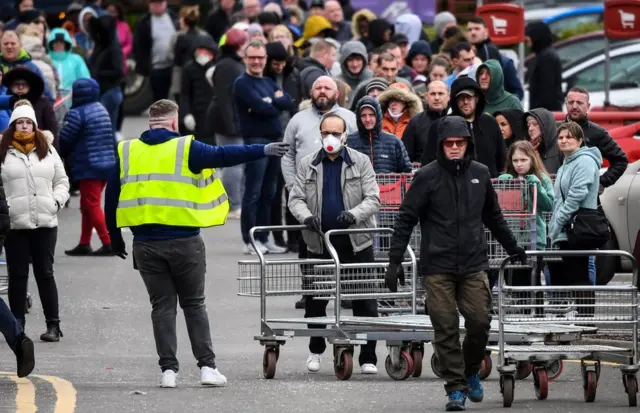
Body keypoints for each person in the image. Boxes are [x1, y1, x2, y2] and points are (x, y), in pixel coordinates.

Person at [104, 99, 289, 388]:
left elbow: (111, 197)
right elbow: (225, 155)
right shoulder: (185, 148)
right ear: (174, 122)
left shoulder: (128, 150)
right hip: (184, 242)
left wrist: (115, 239)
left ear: (150, 122)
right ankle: (207, 368)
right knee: (193, 304)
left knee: (161, 307)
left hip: (144, 244)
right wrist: (263, 149)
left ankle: (168, 372)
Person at [385, 115, 525, 411]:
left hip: (474, 263)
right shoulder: (427, 176)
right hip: (437, 266)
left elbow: (494, 217)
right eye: (448, 143)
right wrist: (394, 261)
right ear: (440, 145)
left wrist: (514, 248)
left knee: (479, 321)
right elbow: (406, 218)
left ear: (467, 144)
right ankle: (455, 389)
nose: (454, 147)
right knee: (445, 326)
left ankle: (471, 369)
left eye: (459, 142)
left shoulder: (481, 173)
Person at [288, 112, 381, 375]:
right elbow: (295, 198)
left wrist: (354, 215)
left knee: (365, 300)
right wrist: (306, 217)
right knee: (316, 302)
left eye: (336, 133)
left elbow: (373, 198)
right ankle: (316, 350)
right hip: (318, 243)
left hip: (356, 242)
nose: (331, 138)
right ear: (320, 135)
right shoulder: (307, 163)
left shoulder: (360, 162)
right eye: (326, 132)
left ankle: (367, 356)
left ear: (345, 136)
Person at [282, 76, 357, 309]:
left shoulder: (350, 119)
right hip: (306, 192)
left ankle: (345, 290)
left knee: (343, 240)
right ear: (311, 92)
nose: (322, 91)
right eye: (318, 87)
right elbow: (287, 154)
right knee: (308, 243)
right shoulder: (298, 120)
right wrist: (292, 186)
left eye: (327, 87)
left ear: (337, 93)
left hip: (341, 189)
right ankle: (310, 291)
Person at [0, 101, 70, 341]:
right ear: (13, 125)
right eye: (20, 122)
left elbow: (62, 181)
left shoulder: (48, 149)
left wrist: (56, 202)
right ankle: (17, 325)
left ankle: (53, 325)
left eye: (28, 122)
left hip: (45, 222)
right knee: (17, 275)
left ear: (35, 126)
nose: (24, 126)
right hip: (15, 223)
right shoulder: (2, 150)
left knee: (45, 273)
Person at [233, 40, 294, 255]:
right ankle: (250, 240)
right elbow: (263, 107)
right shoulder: (242, 83)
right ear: (246, 59)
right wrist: (270, 103)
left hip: (275, 141)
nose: (257, 61)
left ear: (265, 59)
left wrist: (271, 101)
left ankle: (264, 236)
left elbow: (288, 101)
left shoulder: (268, 81)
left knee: (270, 193)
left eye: (260, 57)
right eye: (253, 57)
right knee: (254, 192)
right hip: (255, 142)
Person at [548, 121, 601, 318]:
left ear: (579, 140)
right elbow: (558, 199)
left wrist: (558, 222)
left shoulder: (584, 161)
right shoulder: (566, 164)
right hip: (567, 229)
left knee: (579, 275)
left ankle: (586, 319)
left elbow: (576, 196)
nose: (564, 140)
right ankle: (581, 315)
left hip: (578, 227)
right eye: (561, 137)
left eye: (569, 137)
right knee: (572, 274)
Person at [59, 78, 117, 256]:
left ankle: (109, 242)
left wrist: (61, 152)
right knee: (87, 204)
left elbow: (66, 140)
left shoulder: (76, 113)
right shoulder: (101, 109)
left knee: (91, 204)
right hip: (106, 164)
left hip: (88, 164)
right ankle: (84, 242)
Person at [497, 140, 554, 293]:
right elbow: (498, 209)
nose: (519, 164)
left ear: (532, 159)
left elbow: (549, 205)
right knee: (514, 279)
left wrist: (537, 188)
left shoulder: (541, 178)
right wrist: (502, 187)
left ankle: (535, 312)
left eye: (523, 160)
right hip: (512, 238)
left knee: (533, 279)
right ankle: (518, 311)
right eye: (515, 160)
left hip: (535, 238)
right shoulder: (507, 179)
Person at [421, 77, 506, 178]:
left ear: (477, 98)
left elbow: (502, 158)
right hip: (451, 187)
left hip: (488, 186)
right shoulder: (440, 125)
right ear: (455, 101)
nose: (465, 102)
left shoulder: (490, 123)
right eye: (461, 98)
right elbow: (428, 162)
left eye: (469, 98)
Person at [208, 28, 247, 220]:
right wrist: (232, 124)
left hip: (228, 119)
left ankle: (234, 202)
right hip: (227, 121)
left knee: (235, 163)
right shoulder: (228, 66)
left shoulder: (228, 63)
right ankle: (234, 204)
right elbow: (224, 98)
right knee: (234, 164)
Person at [565, 87, 628, 190]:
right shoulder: (554, 130)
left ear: (588, 106)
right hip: (556, 197)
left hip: (586, 198)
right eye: (571, 102)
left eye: (579, 103)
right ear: (566, 104)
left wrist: (600, 183)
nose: (574, 106)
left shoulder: (598, 133)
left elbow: (621, 161)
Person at [347, 96, 412, 173]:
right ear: (358, 117)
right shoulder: (349, 141)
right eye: (363, 115)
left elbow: (406, 172)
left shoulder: (394, 142)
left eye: (371, 115)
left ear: (378, 116)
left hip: (389, 185)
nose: (367, 119)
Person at [133, 0, 179, 102]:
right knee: (160, 100)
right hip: (156, 68)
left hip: (174, 66)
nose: (157, 6)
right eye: (154, 3)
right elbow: (138, 47)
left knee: (178, 98)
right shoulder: (144, 22)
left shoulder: (174, 18)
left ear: (165, 3)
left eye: (160, 3)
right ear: (149, 5)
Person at [1, 66, 58, 144]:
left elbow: (52, 129)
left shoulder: (42, 102)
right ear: (11, 86)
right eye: (16, 84)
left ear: (30, 85)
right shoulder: (5, 103)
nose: (20, 87)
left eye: (24, 84)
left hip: (38, 148)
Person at [87, 14, 124, 132]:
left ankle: (112, 150)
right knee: (106, 129)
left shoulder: (113, 48)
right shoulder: (101, 46)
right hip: (104, 91)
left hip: (110, 91)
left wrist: (98, 73)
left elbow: (119, 71)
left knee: (105, 128)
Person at [402, 79, 449, 163]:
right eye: (433, 94)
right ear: (426, 96)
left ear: (449, 96)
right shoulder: (415, 122)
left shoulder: (458, 120)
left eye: (441, 94)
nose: (437, 98)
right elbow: (406, 157)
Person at [180, 40, 217, 144]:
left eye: (206, 52)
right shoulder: (189, 68)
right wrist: (186, 114)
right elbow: (185, 94)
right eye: (200, 51)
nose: (202, 54)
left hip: (212, 114)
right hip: (196, 114)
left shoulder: (217, 67)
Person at [525, 22, 562, 111]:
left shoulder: (547, 58)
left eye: (529, 35)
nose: (526, 39)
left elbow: (547, 92)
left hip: (545, 114)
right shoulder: (542, 55)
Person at [46, 28, 91, 93]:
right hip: (50, 99)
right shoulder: (45, 59)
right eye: (55, 42)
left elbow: (85, 81)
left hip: (73, 99)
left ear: (66, 44)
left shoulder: (76, 59)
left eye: (61, 42)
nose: (58, 44)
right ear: (51, 44)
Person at [524, 108, 561, 174]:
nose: (530, 129)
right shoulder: (526, 148)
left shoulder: (561, 147)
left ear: (546, 125)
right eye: (528, 125)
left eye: (535, 124)